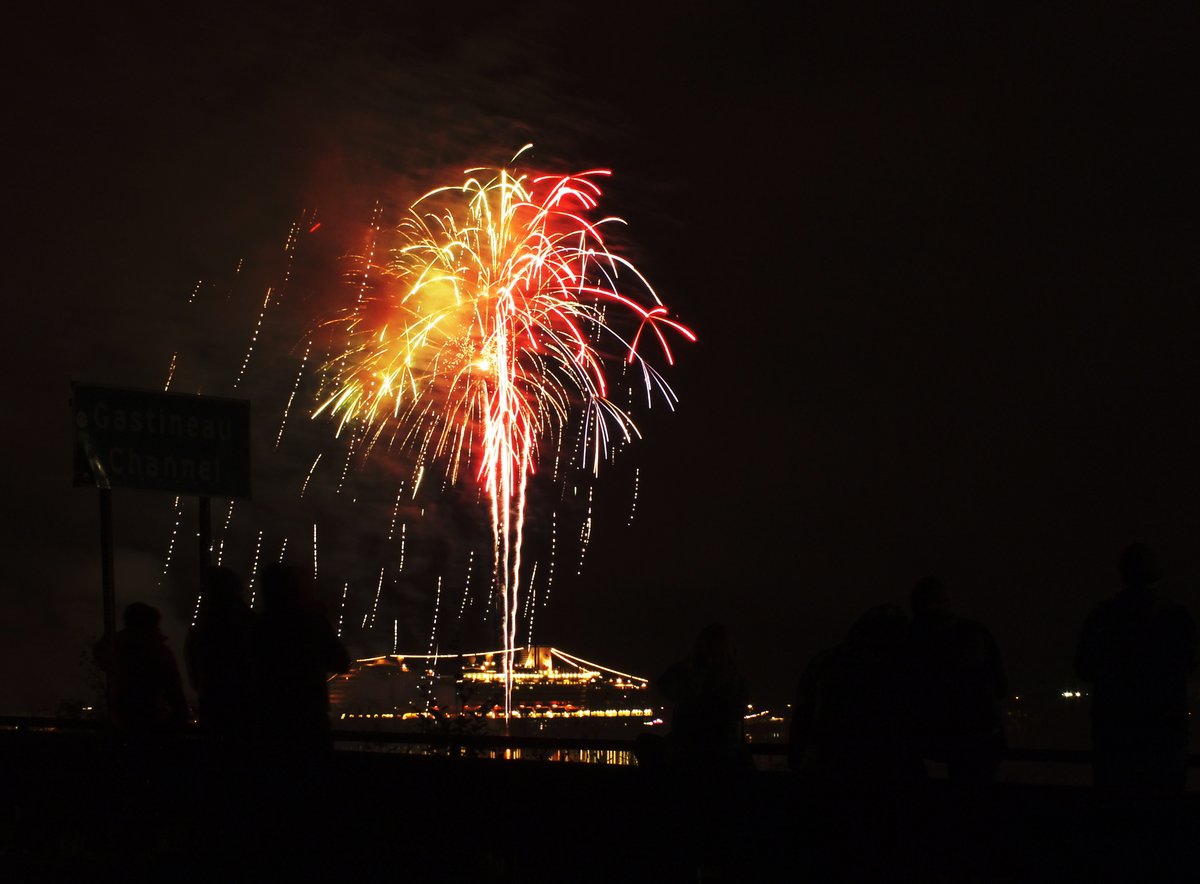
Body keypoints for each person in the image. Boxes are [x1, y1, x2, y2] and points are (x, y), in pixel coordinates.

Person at [1075, 542, 1196, 793]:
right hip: (1164, 731)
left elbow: (1083, 669)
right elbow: (1191, 664)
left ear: (1122, 574)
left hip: (1114, 731)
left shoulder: (1102, 617)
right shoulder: (1177, 618)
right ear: (1156, 575)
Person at [790, 604, 923, 787]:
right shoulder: (902, 668)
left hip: (829, 770)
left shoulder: (824, 663)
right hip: (889, 773)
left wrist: (799, 758)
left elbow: (803, 716)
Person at [908, 576, 1007, 784]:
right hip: (979, 733)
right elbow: (1000, 685)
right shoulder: (976, 633)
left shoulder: (909, 640)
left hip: (932, 736)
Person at [251, 562, 350, 755]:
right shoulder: (312, 622)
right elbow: (341, 662)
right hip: (309, 720)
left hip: (268, 723)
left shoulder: (256, 628)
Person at [655, 623, 751, 774]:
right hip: (722, 759)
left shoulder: (692, 678)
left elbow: (664, 687)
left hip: (690, 757)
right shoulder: (736, 682)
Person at [94, 601, 188, 742]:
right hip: (152, 727)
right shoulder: (159, 653)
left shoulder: (119, 651)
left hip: (121, 728)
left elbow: (102, 658)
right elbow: (176, 696)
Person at [185, 565, 255, 743]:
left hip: (213, 708)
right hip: (247, 711)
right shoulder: (251, 625)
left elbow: (195, 677)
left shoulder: (201, 630)